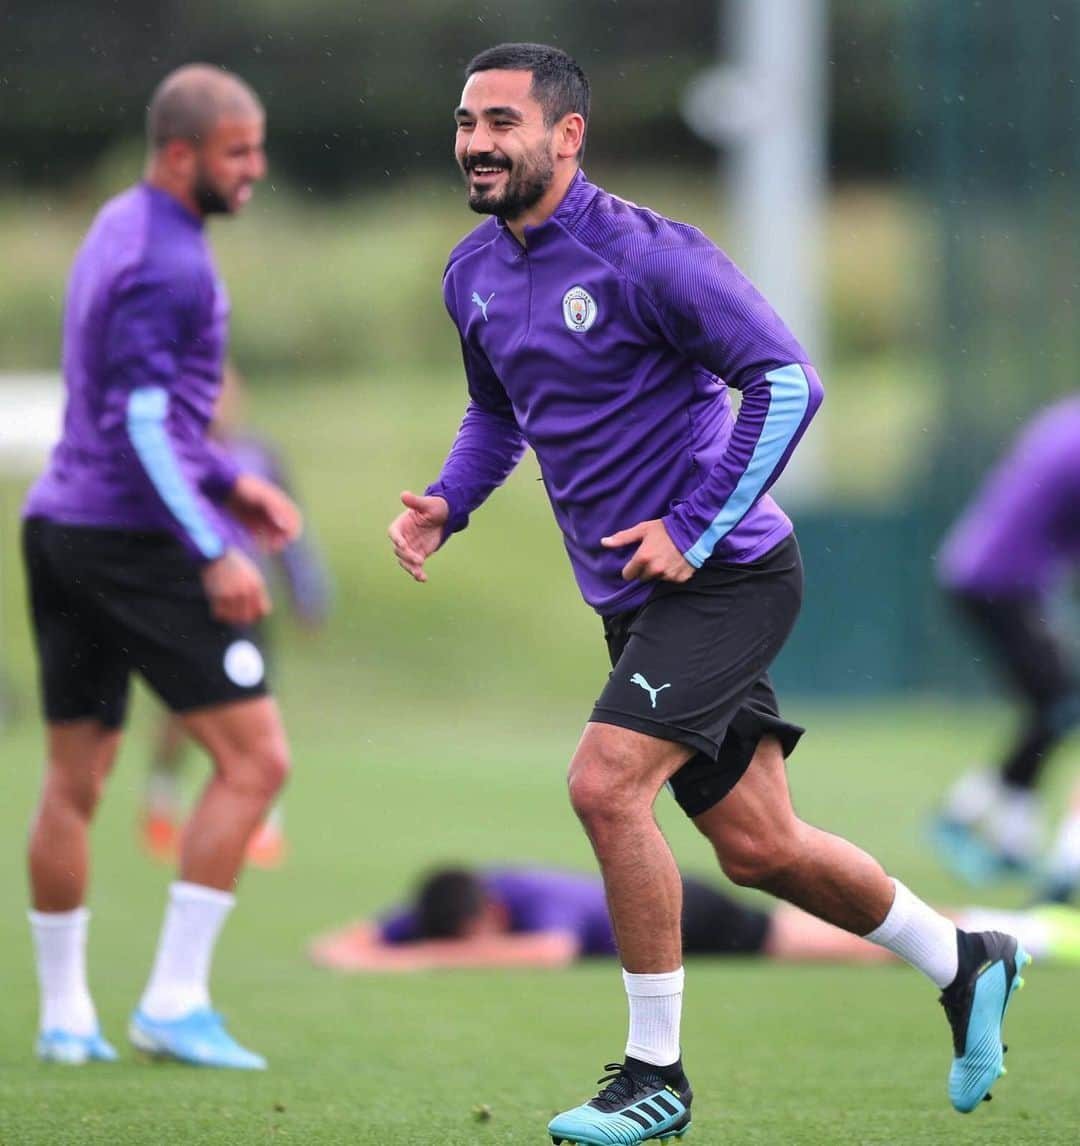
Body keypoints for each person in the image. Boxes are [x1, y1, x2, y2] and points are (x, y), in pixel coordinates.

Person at [387, 42, 1029, 1142]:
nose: (478, 143)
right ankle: (965, 958)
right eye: (465, 122)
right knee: (761, 848)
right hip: (635, 598)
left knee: (604, 786)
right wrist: (451, 500)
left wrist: (693, 527)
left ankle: (656, 1077)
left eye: (502, 122)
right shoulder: (472, 274)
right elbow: (499, 412)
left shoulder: (649, 256)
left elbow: (788, 382)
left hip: (727, 576)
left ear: (567, 136)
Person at [21, 64, 299, 1069]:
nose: (254, 171)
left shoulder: (118, 224)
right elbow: (143, 422)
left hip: (60, 524)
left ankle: (65, 1019)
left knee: (75, 780)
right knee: (258, 761)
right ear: (182, 153)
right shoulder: (171, 262)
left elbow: (140, 412)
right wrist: (211, 542)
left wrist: (229, 481)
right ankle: (173, 1002)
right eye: (239, 153)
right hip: (134, 541)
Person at [140, 365, 332, 870]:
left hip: (252, 599)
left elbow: (287, 526)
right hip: (193, 598)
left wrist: (306, 591)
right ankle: (162, 798)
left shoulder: (258, 454)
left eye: (231, 393)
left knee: (260, 704)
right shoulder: (176, 456)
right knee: (185, 712)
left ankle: (261, 824)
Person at [308, 864, 1080, 973]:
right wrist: (361, 946)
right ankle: (1001, 926)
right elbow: (350, 938)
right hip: (668, 906)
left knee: (852, 943)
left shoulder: (532, 908)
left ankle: (1016, 931)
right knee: (847, 931)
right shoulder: (454, 902)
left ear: (491, 912)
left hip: (689, 910)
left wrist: (410, 962)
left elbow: (544, 952)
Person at [931, 396, 1080, 892]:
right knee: (1057, 704)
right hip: (1001, 579)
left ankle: (1007, 833)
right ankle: (968, 814)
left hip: (983, 572)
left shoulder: (1065, 418)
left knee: (1051, 705)